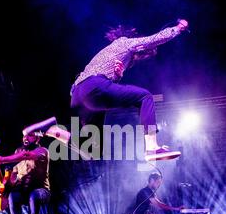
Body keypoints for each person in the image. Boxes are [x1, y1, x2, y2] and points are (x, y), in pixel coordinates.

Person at [70, 19, 189, 161]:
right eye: (143, 53)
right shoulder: (125, 42)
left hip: (77, 95)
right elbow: (153, 40)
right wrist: (177, 28)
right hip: (93, 87)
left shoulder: (109, 52)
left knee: (93, 151)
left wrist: (117, 76)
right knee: (145, 97)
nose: (141, 56)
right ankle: (151, 148)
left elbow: (102, 83)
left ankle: (54, 131)